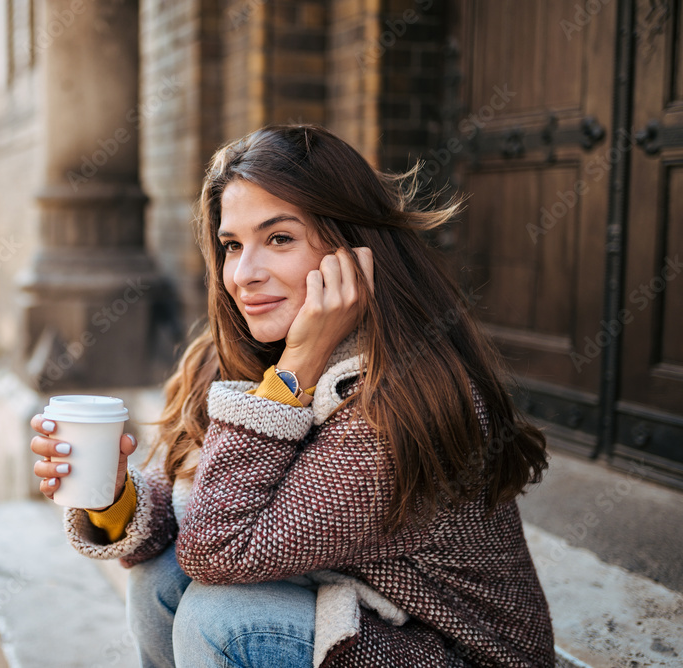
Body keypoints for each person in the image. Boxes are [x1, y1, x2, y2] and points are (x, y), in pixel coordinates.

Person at [30, 124, 554, 667]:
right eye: (232, 245)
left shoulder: (398, 402)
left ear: (352, 249)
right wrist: (113, 498)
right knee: (160, 580)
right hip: (364, 621)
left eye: (279, 239)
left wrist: (296, 370)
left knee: (221, 622)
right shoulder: (233, 357)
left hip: (451, 654)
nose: (244, 275)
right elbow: (187, 526)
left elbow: (215, 548)